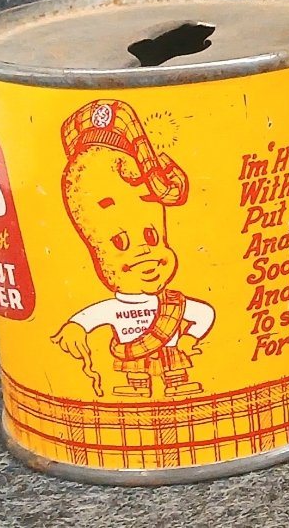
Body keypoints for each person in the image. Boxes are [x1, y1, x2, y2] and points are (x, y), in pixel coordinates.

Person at [50, 100, 215, 399]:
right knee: (136, 370)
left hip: (170, 352)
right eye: (119, 243)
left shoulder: (173, 304)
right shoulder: (116, 308)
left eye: (152, 237)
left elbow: (203, 313)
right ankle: (138, 387)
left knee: (173, 366)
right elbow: (91, 316)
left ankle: (176, 383)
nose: (145, 255)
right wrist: (75, 328)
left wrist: (189, 338)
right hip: (131, 355)